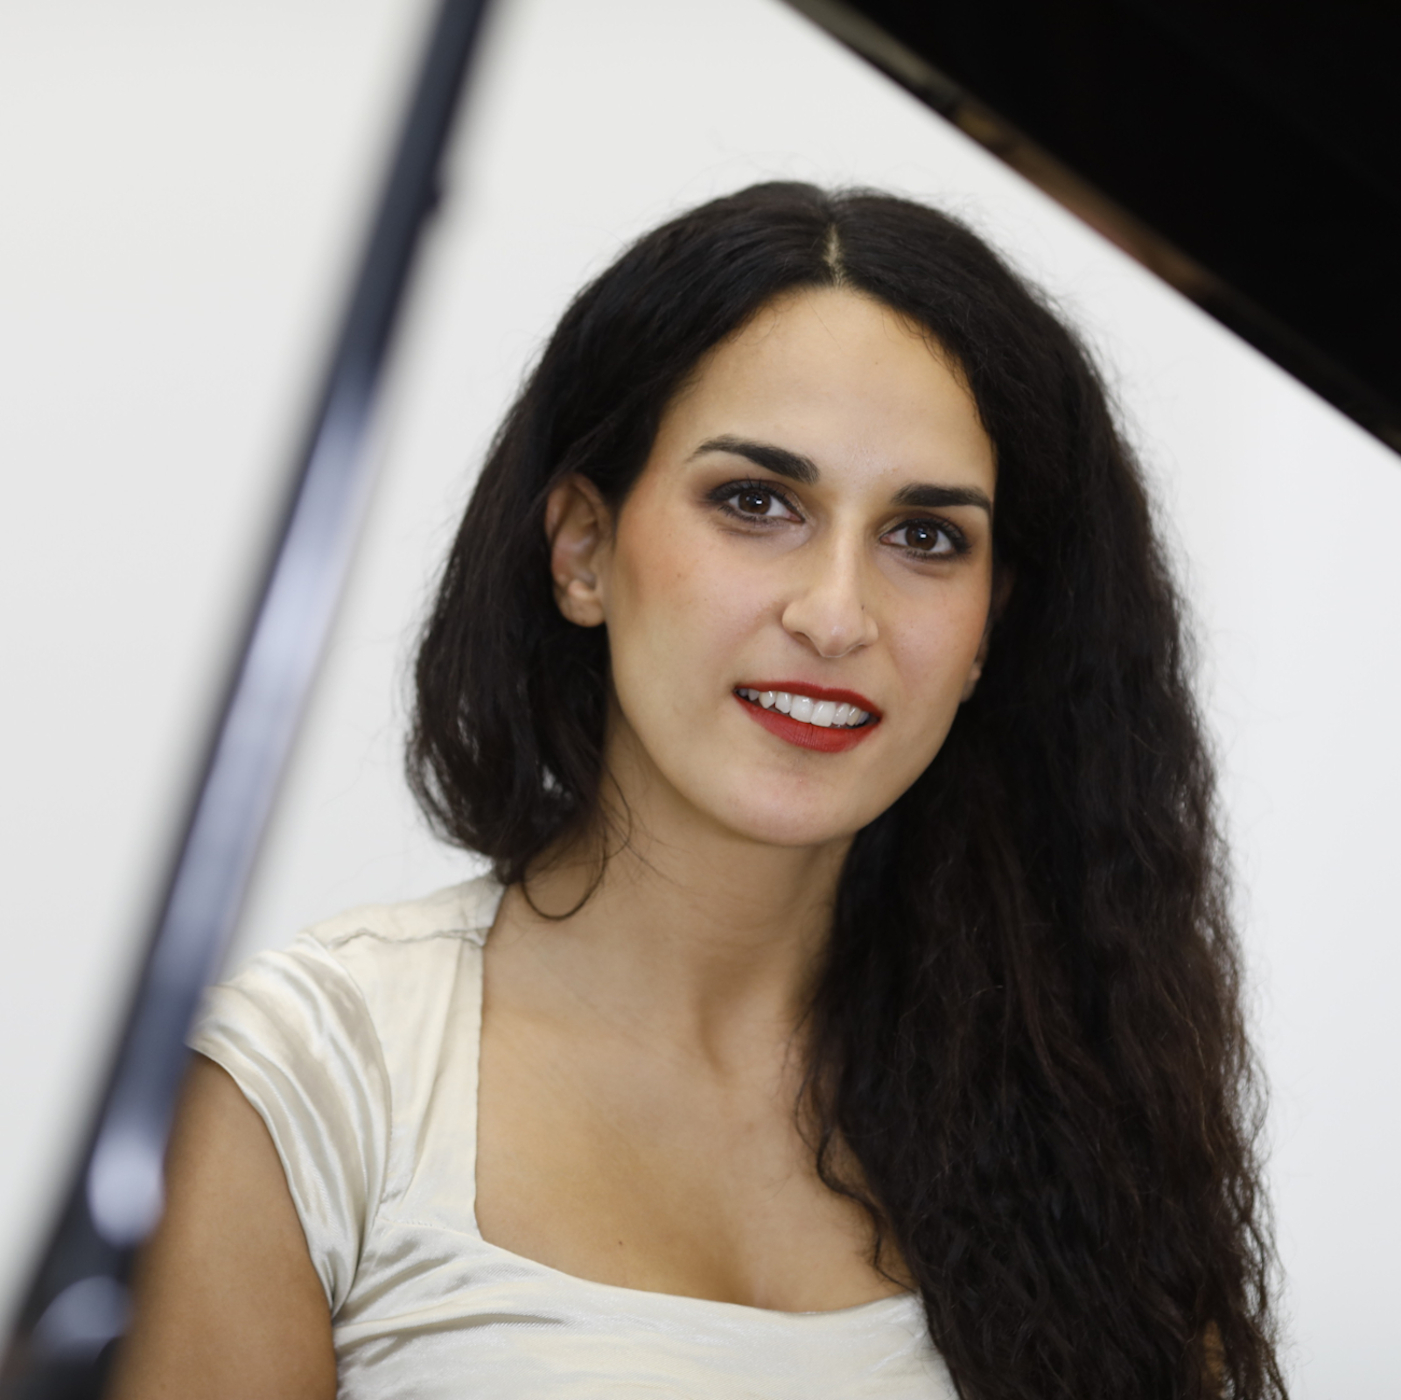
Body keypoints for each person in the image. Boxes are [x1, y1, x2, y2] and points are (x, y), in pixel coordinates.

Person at [112, 183, 1287, 1399]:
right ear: (581, 550)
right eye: (757, 502)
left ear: (992, 625)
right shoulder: (309, 1081)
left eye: (926, 535)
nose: (836, 614)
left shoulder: (1081, 1090)